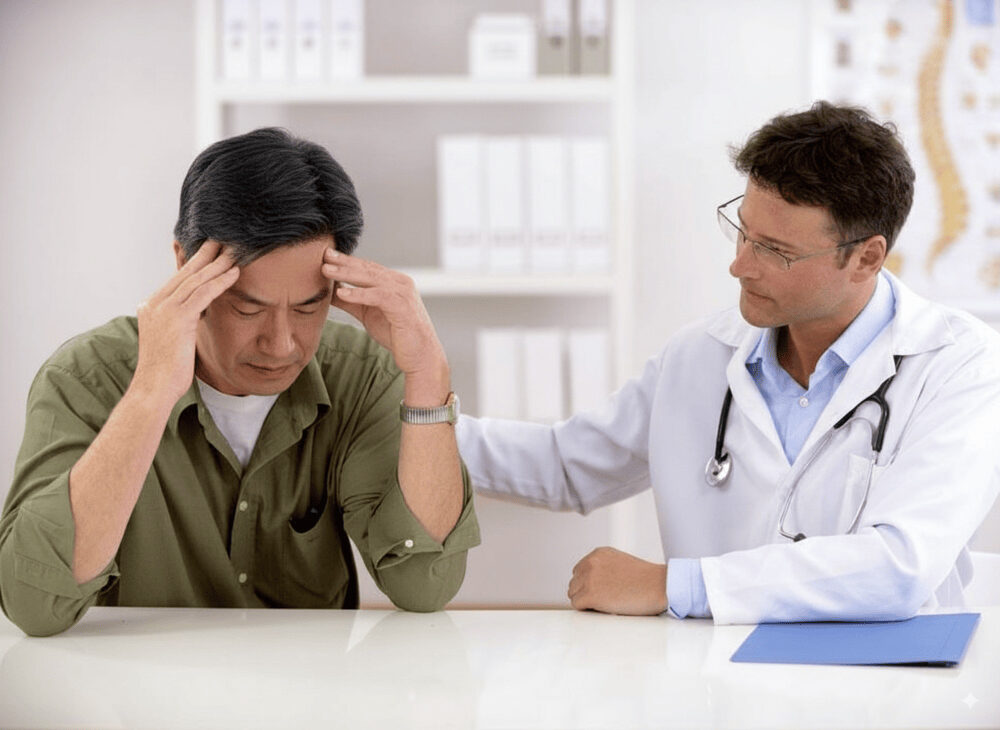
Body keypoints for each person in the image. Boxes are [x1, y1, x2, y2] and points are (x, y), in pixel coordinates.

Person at [457, 101, 1000, 624]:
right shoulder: (700, 354)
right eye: (743, 230)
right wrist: (407, 422)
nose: (740, 265)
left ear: (866, 257)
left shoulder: (960, 366)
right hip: (718, 689)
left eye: (775, 250)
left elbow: (900, 568)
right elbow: (567, 466)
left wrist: (675, 585)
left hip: (890, 700)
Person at [0, 128, 479, 636]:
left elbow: (426, 585)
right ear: (186, 267)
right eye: (248, 307)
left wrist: (428, 375)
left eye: (308, 307)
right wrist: (151, 393)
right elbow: (34, 603)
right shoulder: (86, 379)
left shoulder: (360, 376)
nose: (281, 344)